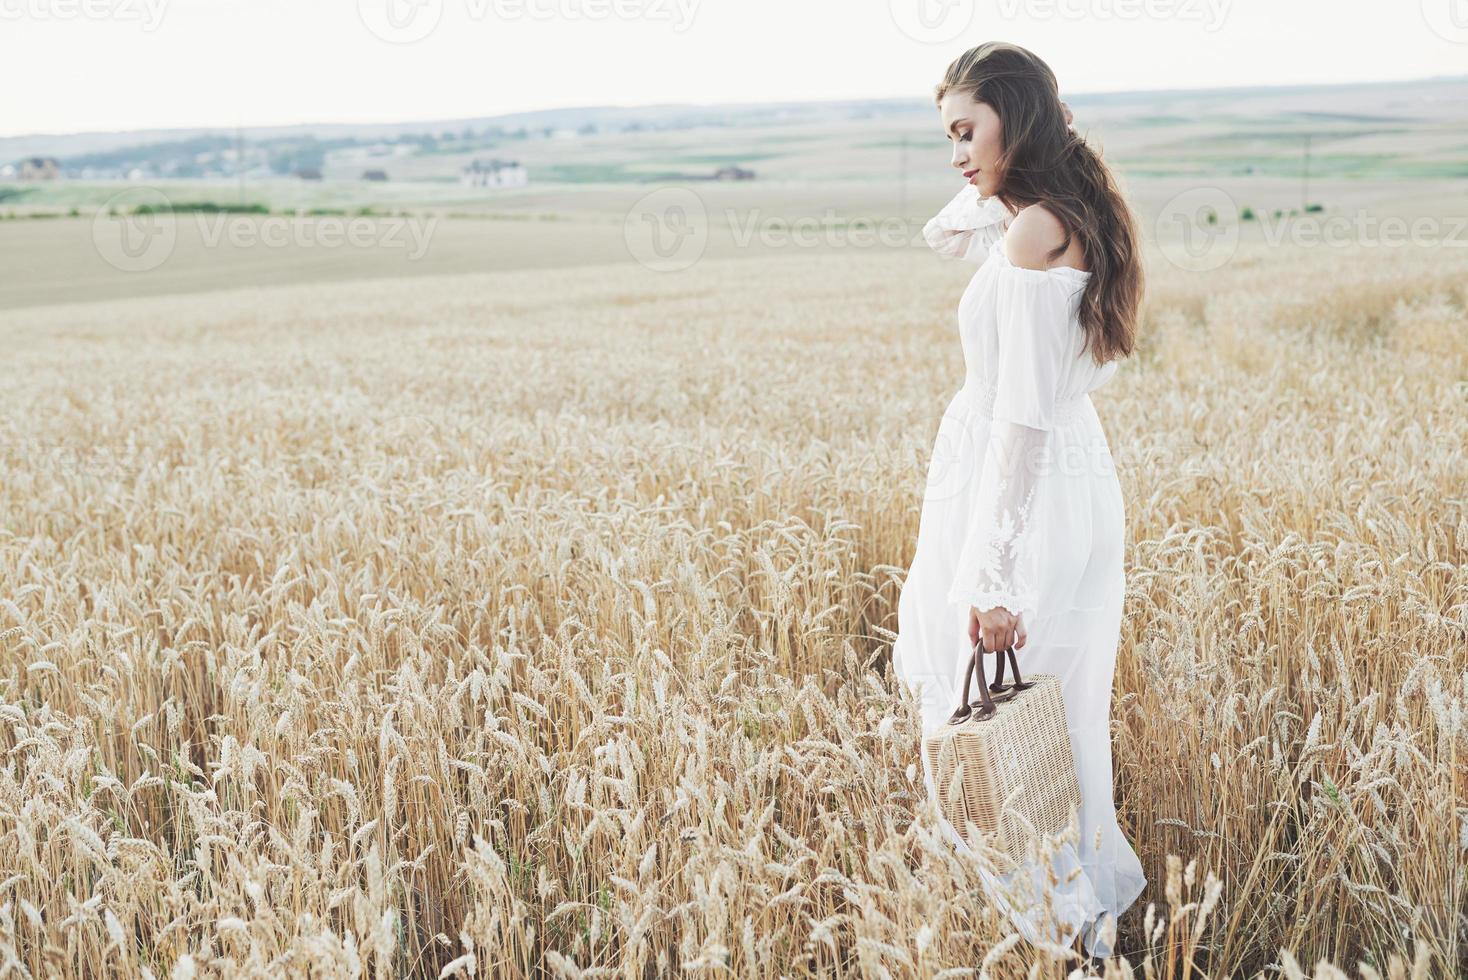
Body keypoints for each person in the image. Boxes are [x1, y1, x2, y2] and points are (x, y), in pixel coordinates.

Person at [891, 41, 1147, 959]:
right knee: (1057, 719)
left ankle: (1069, 938)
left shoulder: (1037, 230)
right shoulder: (1050, 215)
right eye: (947, 135)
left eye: (968, 129)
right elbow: (945, 233)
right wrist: (1002, 160)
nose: (956, 151)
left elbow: (1024, 421)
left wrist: (991, 573)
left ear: (1019, 119)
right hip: (1061, 485)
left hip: (1018, 490)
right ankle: (1075, 931)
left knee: (1010, 724)